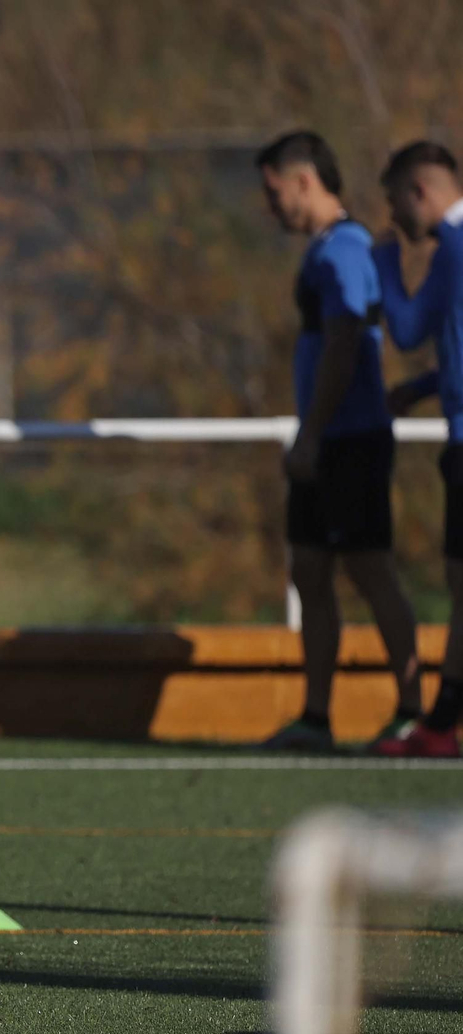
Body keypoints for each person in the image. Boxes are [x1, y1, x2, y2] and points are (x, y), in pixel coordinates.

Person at [254, 131, 421, 753]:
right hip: (326, 439)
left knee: (371, 569)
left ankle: (412, 709)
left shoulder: (343, 250)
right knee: (310, 569)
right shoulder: (326, 249)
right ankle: (317, 717)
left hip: (349, 439)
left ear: (303, 181)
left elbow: (346, 341)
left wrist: (313, 432)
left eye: (274, 193)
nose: (271, 208)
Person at [371, 140, 463, 758]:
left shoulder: (452, 249)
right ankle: (440, 724)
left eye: (395, 205)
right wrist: (428, 386)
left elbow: (405, 329)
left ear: (419, 192)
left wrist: (383, 263)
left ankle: (439, 726)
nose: (397, 221)